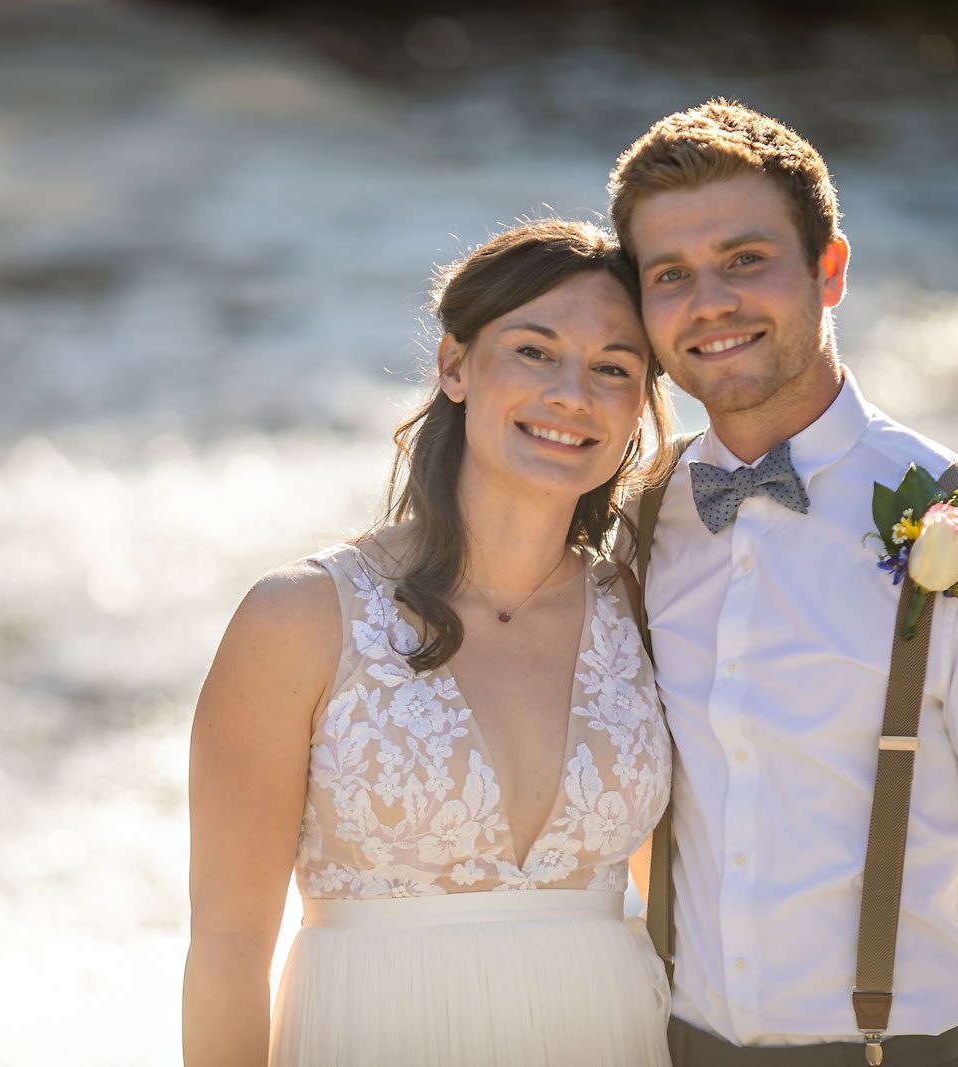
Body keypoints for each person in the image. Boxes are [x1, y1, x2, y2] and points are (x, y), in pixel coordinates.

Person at [607, 100, 958, 1066]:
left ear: (830, 269)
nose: (710, 301)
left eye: (746, 259)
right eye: (671, 276)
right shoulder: (638, 522)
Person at [183, 218, 679, 1065]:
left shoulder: (649, 607)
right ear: (454, 364)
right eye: (534, 351)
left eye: (612, 369)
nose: (571, 393)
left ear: (638, 406)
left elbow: (689, 911)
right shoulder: (300, 618)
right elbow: (229, 950)